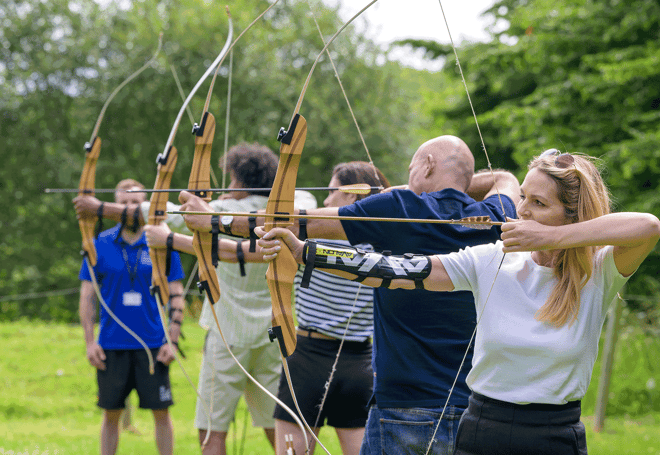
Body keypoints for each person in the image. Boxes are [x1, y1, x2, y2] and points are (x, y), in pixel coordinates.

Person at [257, 149, 660, 455]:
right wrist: (307, 250)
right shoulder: (492, 259)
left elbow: (648, 226)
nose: (521, 211)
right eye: (522, 197)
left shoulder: (598, 271)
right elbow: (394, 270)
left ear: (572, 217)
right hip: (482, 427)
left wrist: (551, 239)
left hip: (555, 435)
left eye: (539, 204)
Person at [177, 135, 521, 454]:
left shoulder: (401, 207)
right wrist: (452, 184)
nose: (408, 174)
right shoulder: (496, 215)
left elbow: (294, 222)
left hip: (402, 403)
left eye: (413, 166)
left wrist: (214, 220)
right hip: (472, 405)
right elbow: (504, 180)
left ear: (428, 164)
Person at [141, 143, 317, 455]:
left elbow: (154, 211)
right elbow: (307, 198)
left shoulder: (217, 213)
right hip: (273, 335)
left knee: (211, 430)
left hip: (227, 336)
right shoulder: (290, 209)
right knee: (278, 426)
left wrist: (166, 212)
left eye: (232, 179)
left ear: (239, 181)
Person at [270, 162, 389, 455]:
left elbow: (259, 232)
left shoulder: (310, 236)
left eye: (331, 190)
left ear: (351, 196)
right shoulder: (386, 241)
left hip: (310, 357)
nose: (324, 200)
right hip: (360, 362)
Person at [77, 178, 185, 455]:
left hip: (153, 344)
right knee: (110, 414)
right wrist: (90, 343)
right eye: (123, 203)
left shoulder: (161, 242)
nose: (130, 209)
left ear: (145, 205)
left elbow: (177, 294)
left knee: (161, 413)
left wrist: (171, 340)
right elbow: (87, 296)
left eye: (136, 203)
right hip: (112, 345)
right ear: (114, 206)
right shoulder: (99, 243)